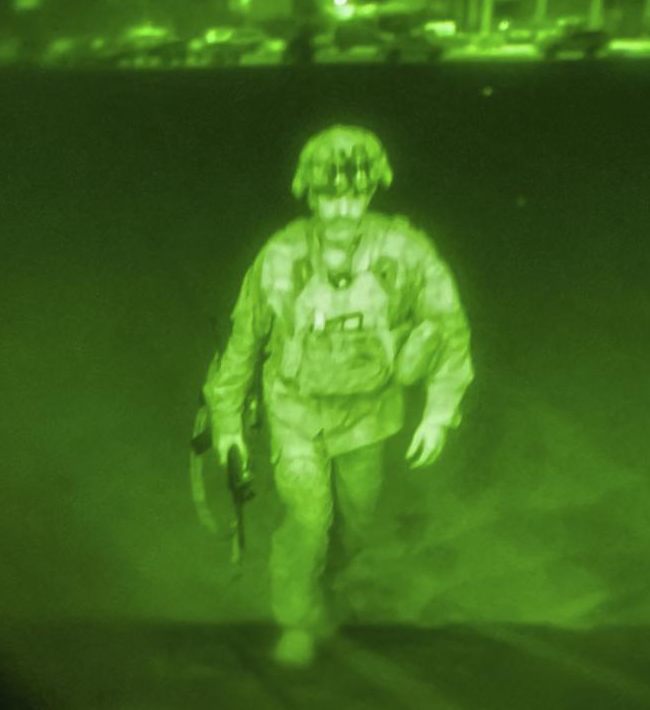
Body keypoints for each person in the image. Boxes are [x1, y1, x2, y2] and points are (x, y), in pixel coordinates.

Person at [203, 125, 474, 668]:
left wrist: (439, 412)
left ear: (372, 191)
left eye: (356, 194)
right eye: (330, 196)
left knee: (355, 525)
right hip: (296, 410)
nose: (344, 208)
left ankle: (324, 585)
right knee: (308, 521)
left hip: (369, 415)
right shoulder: (280, 255)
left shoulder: (406, 252)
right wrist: (227, 421)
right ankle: (296, 619)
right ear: (309, 194)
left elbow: (448, 329)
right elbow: (245, 340)